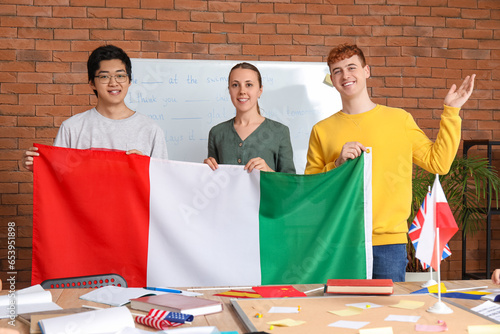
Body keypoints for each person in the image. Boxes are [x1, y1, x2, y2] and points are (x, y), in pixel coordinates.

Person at [305, 43, 475, 282]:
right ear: (332, 79)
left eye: (351, 67)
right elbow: (311, 190)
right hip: (340, 241)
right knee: (340, 314)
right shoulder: (321, 130)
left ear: (367, 71)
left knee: (388, 317)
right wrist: (337, 165)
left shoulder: (399, 120)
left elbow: (439, 163)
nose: (345, 75)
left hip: (388, 244)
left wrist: (451, 112)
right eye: (337, 71)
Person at [23, 45, 168, 170]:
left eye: (120, 76)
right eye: (104, 77)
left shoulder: (150, 130)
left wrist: (145, 167)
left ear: (129, 81)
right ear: (92, 83)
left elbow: (164, 182)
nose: (113, 83)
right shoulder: (72, 128)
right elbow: (59, 178)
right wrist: (40, 167)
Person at [204, 62, 295, 174]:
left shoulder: (280, 132)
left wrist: (269, 171)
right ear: (229, 90)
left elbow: (291, 185)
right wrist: (205, 171)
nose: (242, 91)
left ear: (260, 91)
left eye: (249, 85)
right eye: (235, 85)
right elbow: (213, 183)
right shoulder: (217, 133)